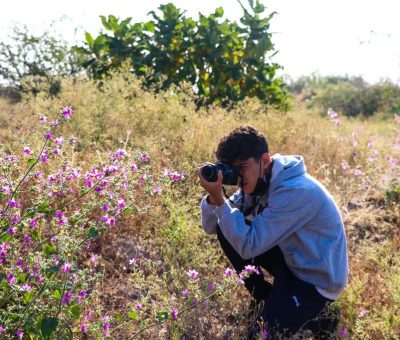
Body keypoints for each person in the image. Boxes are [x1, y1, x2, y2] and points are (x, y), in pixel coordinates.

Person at [198, 126, 348, 339]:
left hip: (315, 283)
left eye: (243, 166)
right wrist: (214, 198)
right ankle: (264, 295)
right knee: (227, 225)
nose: (239, 176)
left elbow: (250, 244)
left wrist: (222, 203)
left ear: (265, 160)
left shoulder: (296, 191)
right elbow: (212, 227)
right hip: (292, 262)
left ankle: (322, 316)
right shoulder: (260, 179)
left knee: (259, 334)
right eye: (232, 169)